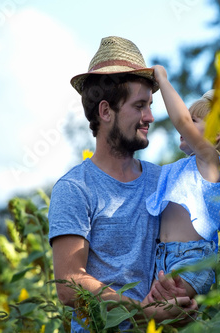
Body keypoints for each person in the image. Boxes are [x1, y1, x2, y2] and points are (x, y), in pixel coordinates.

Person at [48, 36, 197, 333]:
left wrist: (186, 299)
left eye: (151, 105)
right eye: (140, 106)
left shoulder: (165, 182)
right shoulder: (75, 188)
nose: (150, 117)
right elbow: (69, 283)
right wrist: (141, 314)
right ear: (105, 111)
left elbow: (190, 253)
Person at [145, 65, 220, 300]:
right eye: (189, 117)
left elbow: (179, 121)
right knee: (156, 317)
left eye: (193, 119)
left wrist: (163, 80)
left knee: (154, 311)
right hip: (164, 260)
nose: (186, 123)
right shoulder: (180, 168)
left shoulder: (209, 162)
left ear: (217, 133)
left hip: (193, 262)